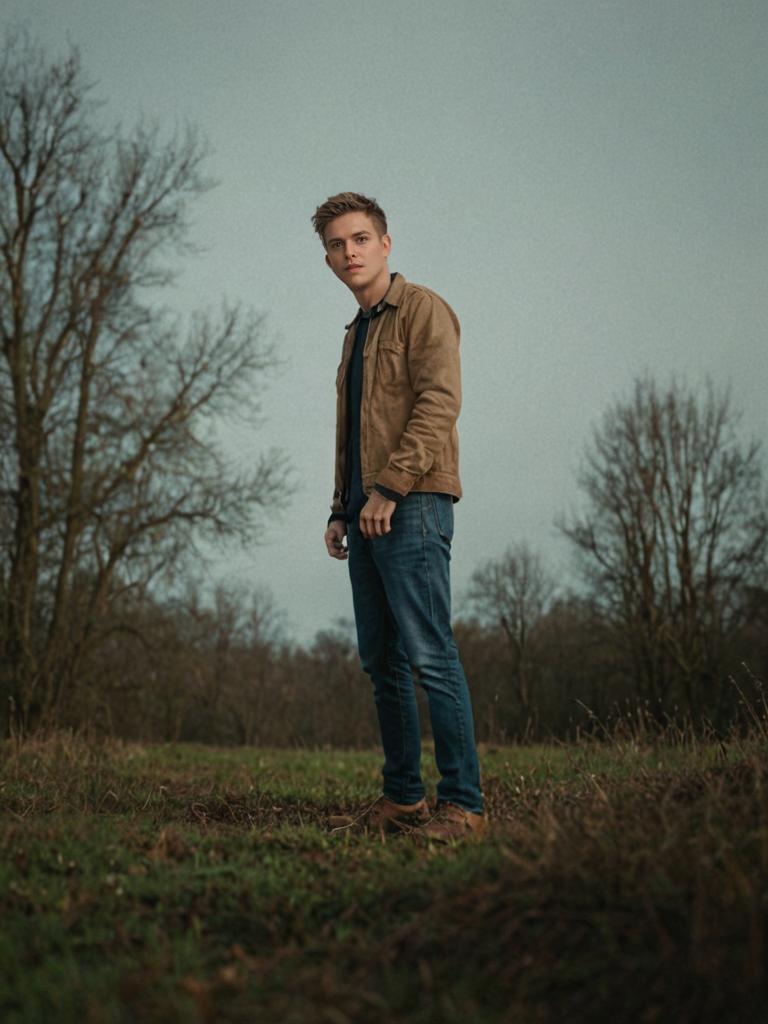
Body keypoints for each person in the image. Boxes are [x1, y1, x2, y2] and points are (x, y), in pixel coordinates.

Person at [313, 192, 486, 842]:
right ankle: (404, 799)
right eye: (336, 244)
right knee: (380, 661)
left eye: (359, 238)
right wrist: (342, 506)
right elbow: (354, 431)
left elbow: (441, 402)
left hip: (412, 502)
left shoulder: (423, 310)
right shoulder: (355, 334)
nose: (348, 252)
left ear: (385, 244)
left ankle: (464, 805)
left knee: (430, 654)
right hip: (365, 511)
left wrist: (388, 488)